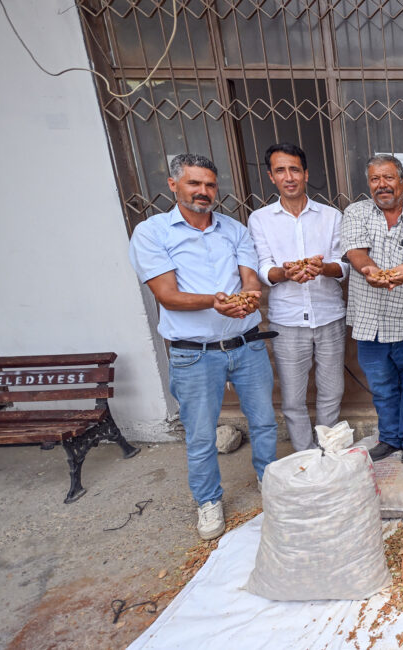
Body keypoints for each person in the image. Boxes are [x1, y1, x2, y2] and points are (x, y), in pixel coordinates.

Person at [128, 153, 277, 540]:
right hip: (194, 352)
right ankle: (209, 502)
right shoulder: (152, 232)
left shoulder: (234, 229)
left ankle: (269, 483)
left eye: (210, 184)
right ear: (173, 185)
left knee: (263, 420)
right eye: (194, 183)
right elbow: (167, 295)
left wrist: (248, 296)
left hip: (246, 344)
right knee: (199, 434)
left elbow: (249, 280)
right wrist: (214, 300)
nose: (204, 192)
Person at [248, 143, 347, 452]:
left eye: (294, 169)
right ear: (271, 177)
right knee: (293, 398)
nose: (288, 177)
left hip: (329, 314)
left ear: (306, 174)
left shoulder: (331, 216)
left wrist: (322, 267)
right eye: (280, 170)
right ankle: (306, 456)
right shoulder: (260, 219)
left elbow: (343, 264)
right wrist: (284, 273)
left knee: (332, 391)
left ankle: (328, 451)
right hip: (287, 319)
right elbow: (263, 268)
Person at [342, 154, 403, 466]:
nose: (382, 185)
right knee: (381, 388)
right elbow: (355, 252)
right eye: (375, 179)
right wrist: (371, 272)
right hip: (369, 322)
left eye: (388, 178)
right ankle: (389, 439)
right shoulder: (356, 212)